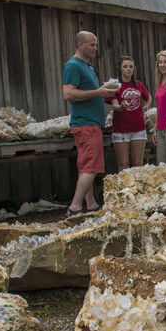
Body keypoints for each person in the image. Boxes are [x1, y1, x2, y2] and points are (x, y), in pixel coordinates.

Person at [62, 31, 117, 217]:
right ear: (80, 45)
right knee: (92, 166)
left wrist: (104, 92)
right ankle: (75, 208)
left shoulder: (88, 66)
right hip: (86, 123)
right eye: (92, 45)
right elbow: (68, 94)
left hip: (92, 122)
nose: (95, 48)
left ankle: (91, 204)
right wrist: (97, 93)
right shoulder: (73, 66)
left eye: (96, 45)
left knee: (86, 166)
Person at [106, 56, 150, 171]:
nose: (128, 69)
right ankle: (125, 189)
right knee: (124, 165)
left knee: (138, 163)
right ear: (120, 69)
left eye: (131, 67)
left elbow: (148, 98)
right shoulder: (115, 86)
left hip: (138, 127)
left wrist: (144, 108)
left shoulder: (138, 84)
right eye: (125, 66)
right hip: (121, 128)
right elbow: (115, 105)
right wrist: (121, 106)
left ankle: (137, 188)